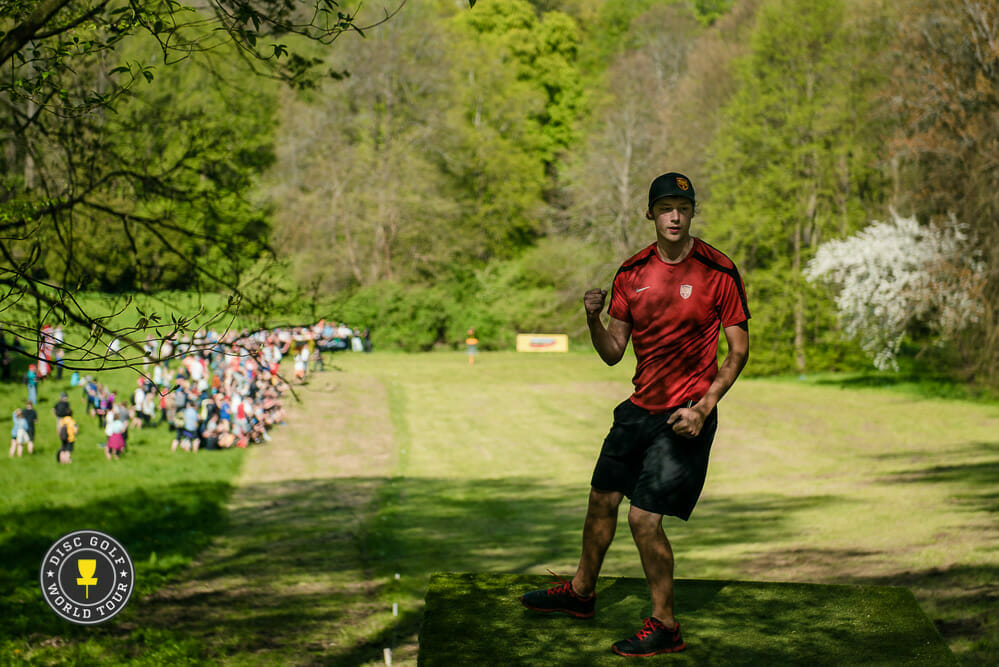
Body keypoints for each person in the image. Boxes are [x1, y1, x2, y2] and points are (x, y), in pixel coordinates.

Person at [520, 172, 751, 657]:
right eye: (665, 207)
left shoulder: (718, 271)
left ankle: (665, 625)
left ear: (691, 213)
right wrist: (591, 319)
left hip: (684, 414)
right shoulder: (630, 274)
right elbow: (612, 352)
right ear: (650, 213)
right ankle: (582, 594)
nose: (674, 215)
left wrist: (705, 408)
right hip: (638, 409)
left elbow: (737, 352)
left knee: (644, 519)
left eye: (682, 208)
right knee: (601, 498)